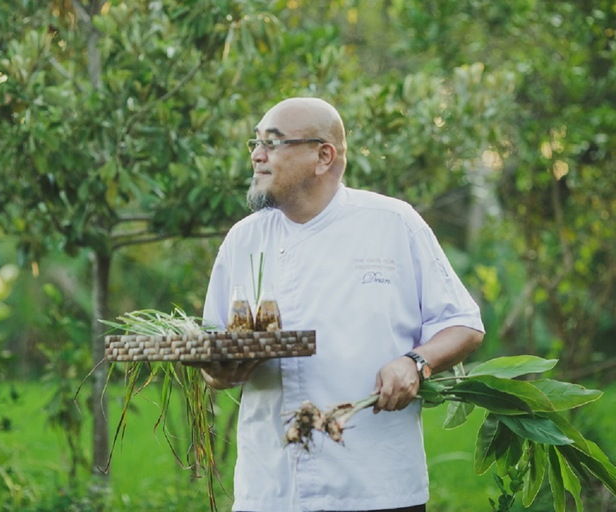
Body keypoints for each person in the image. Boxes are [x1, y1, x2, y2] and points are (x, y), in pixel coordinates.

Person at [199, 97, 485, 512]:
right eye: (254, 144)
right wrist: (221, 372)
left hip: (377, 484)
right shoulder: (243, 240)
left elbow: (463, 322)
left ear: (323, 156)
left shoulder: (392, 223)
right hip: (271, 488)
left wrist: (414, 363)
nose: (257, 156)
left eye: (273, 143)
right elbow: (214, 357)